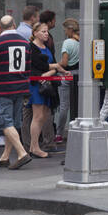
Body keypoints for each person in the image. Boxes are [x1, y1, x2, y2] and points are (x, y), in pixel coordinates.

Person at [0, 14, 32, 169]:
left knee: (4, 122)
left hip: (4, 88)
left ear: (0, 27)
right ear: (13, 25)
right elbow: (28, 67)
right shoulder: (25, 43)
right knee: (13, 123)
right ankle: (5, 157)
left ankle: (22, 153)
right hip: (21, 87)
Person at [27, 21, 67, 159]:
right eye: (43, 31)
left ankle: (34, 146)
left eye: (47, 31)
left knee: (43, 116)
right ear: (35, 33)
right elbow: (39, 68)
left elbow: (48, 69)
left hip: (46, 84)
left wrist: (50, 72)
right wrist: (53, 69)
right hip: (37, 86)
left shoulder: (46, 47)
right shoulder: (31, 48)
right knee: (37, 116)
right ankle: (35, 147)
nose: (46, 34)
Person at [55, 19, 80, 143]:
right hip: (80, 75)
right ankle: (76, 130)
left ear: (70, 29)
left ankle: (59, 134)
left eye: (65, 30)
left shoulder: (67, 42)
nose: (65, 32)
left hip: (67, 75)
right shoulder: (83, 41)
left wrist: (54, 65)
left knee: (64, 106)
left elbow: (64, 62)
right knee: (78, 105)